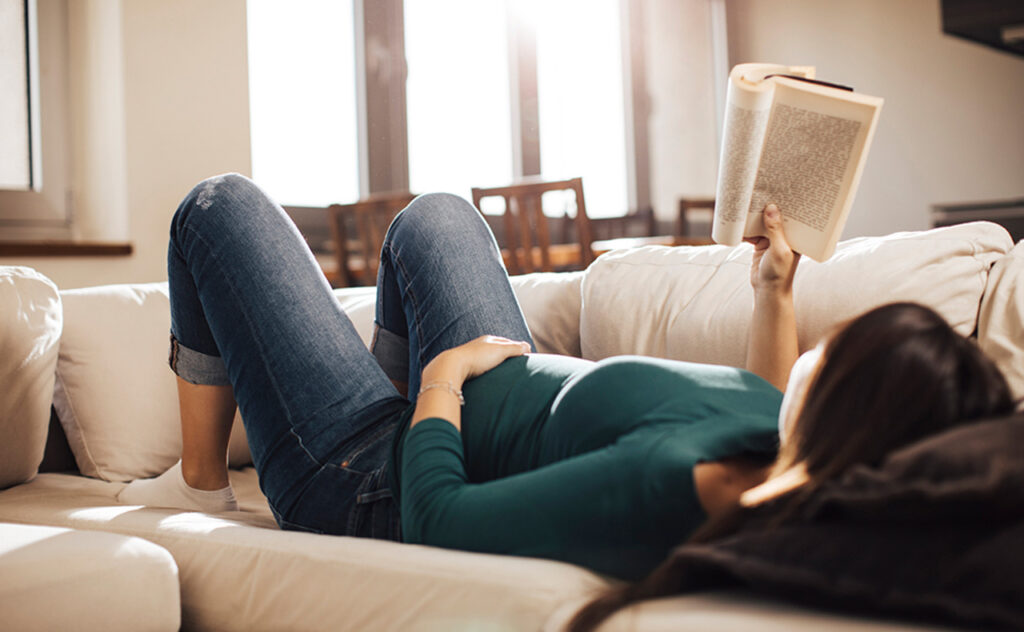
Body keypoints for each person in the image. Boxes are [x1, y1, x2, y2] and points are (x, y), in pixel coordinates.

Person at [118, 174, 1014, 587]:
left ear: (852, 405)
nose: (825, 349)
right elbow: (763, 397)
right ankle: (382, 403)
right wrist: (772, 289)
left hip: (379, 482)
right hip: (482, 394)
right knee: (439, 215)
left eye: (841, 351)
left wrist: (436, 392)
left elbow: (442, 522)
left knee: (214, 208)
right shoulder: (780, 447)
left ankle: (204, 484)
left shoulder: (679, 481)